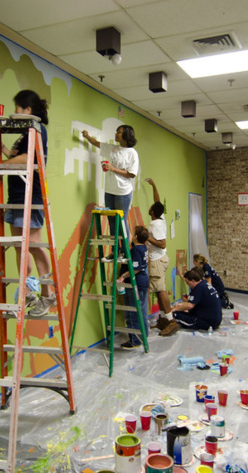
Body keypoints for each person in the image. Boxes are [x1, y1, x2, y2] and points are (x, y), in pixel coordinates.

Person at [2, 90, 54, 317]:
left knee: (33, 245)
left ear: (28, 110)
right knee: (18, 245)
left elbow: (32, 158)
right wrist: (6, 153)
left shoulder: (37, 129)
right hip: (16, 195)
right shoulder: (24, 133)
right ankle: (26, 292)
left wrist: (4, 162)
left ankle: (47, 294)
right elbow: (18, 155)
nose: (15, 112)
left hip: (29, 196)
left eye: (18, 108)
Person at [81, 125, 139, 258]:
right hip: (109, 190)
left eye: (119, 132)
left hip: (123, 191)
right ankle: (115, 250)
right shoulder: (113, 148)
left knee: (121, 219)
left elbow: (132, 174)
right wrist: (87, 135)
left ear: (126, 135)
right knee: (111, 220)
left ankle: (125, 249)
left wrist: (113, 169)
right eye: (116, 131)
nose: (116, 134)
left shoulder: (132, 153)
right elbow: (96, 143)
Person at [143, 178, 174, 332]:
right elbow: (158, 201)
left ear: (153, 212)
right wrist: (154, 185)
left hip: (157, 260)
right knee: (157, 289)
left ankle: (171, 321)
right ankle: (163, 320)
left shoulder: (156, 224)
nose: (150, 207)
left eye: (151, 207)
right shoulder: (160, 217)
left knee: (160, 291)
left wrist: (145, 236)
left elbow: (162, 243)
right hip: (160, 259)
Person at [161, 267, 222, 336]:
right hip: (214, 320)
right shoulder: (204, 284)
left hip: (207, 322)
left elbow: (190, 305)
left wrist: (175, 309)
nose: (188, 285)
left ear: (193, 281)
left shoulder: (199, 288)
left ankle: (169, 325)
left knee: (174, 314)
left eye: (187, 282)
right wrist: (181, 306)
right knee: (182, 311)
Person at [117, 226, 150, 350]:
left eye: (133, 234)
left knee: (133, 312)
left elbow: (135, 268)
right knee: (142, 311)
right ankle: (143, 336)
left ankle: (135, 340)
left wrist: (123, 276)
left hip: (135, 283)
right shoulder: (143, 247)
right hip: (143, 281)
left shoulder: (136, 249)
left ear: (136, 237)